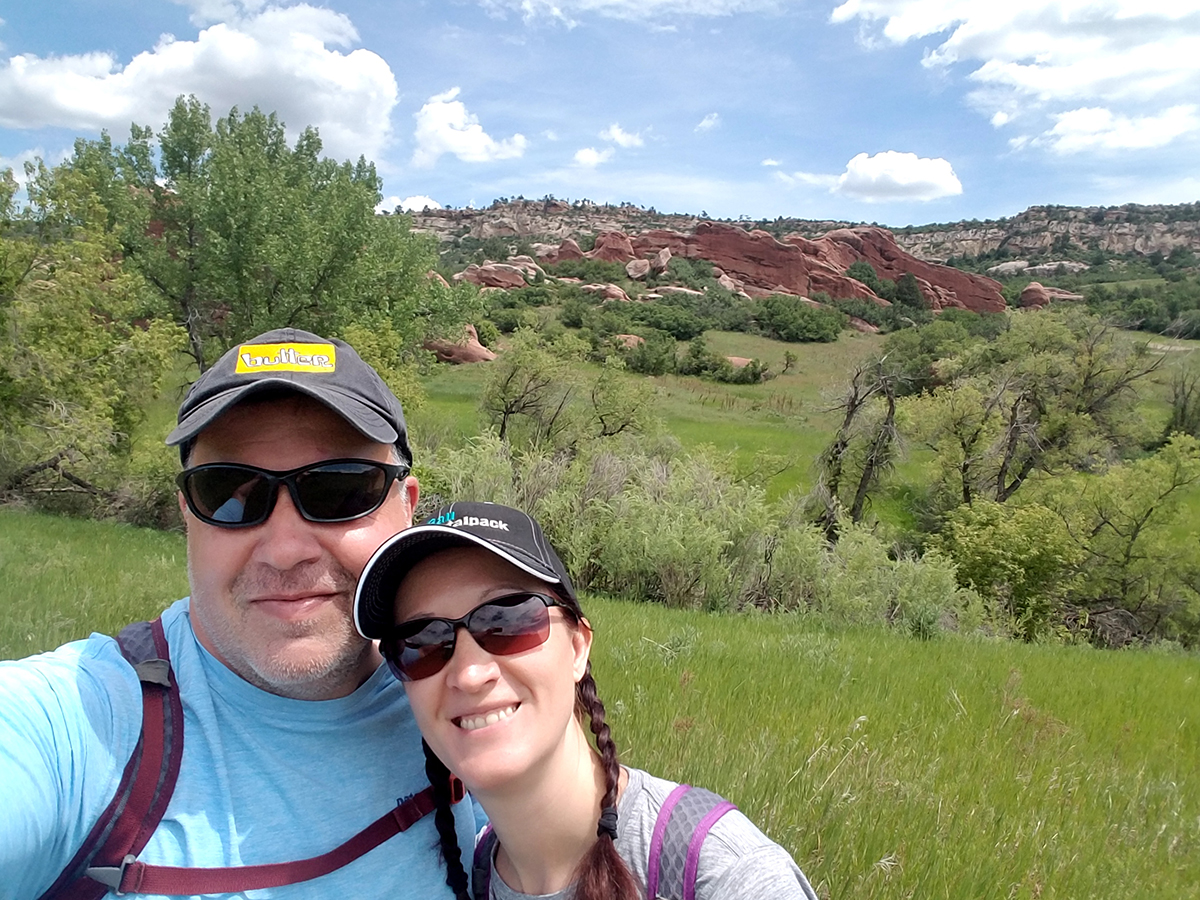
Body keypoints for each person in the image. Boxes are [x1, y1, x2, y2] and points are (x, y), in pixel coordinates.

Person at [0, 327, 476, 900]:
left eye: (339, 491)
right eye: (230, 493)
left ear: (407, 508)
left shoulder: (468, 693)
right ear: (187, 514)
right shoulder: (77, 725)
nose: (285, 548)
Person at [354, 501, 820, 900]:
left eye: (507, 621)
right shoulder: (478, 873)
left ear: (578, 647)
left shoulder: (720, 875)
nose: (470, 673)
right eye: (422, 642)